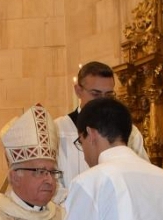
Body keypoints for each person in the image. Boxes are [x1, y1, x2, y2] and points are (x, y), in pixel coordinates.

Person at [54, 61, 149, 201]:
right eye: (96, 94)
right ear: (78, 91)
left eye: (109, 95)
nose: (103, 102)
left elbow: (142, 175)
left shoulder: (129, 131)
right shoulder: (58, 130)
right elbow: (51, 185)